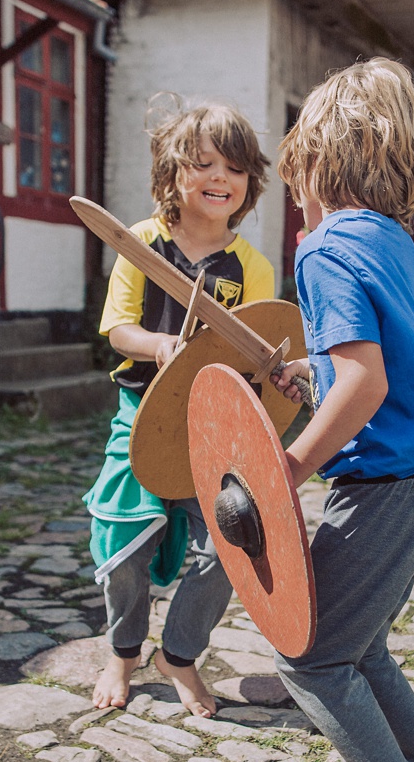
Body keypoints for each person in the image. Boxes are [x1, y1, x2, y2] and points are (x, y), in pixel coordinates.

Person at [268, 58, 414, 762]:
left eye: (293, 181)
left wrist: (291, 465)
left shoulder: (324, 248)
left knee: (308, 652)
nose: (293, 203)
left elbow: (369, 381)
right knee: (363, 640)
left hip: (378, 488)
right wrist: (318, 374)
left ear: (314, 161)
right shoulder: (394, 242)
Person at [84, 101, 274, 719]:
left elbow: (261, 351)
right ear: (174, 172)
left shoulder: (252, 267)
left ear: (250, 183)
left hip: (211, 428)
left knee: (232, 543)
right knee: (122, 543)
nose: (222, 177)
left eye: (236, 168)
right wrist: (159, 344)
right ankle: (124, 650)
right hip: (140, 413)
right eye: (205, 163)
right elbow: (116, 328)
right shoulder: (143, 243)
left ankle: (182, 655)